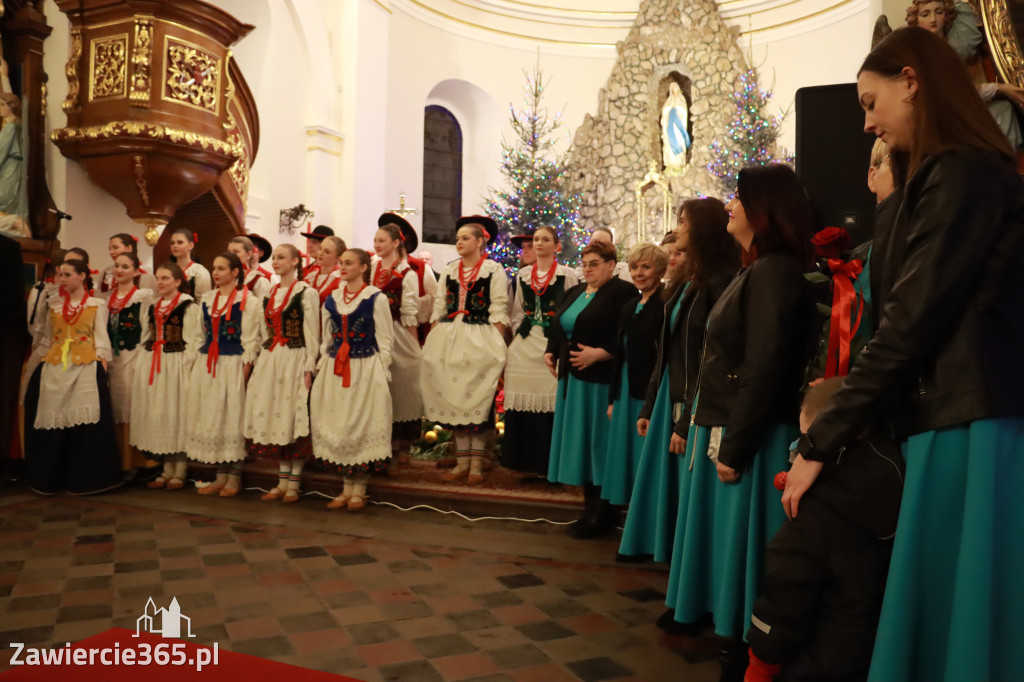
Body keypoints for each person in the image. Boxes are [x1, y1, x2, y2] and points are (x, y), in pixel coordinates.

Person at [786, 27, 1024, 682]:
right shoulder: (940, 177)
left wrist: (819, 443)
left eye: (870, 102)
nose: (866, 123)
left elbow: (911, 322)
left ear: (912, 82)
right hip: (945, 413)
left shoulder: (964, 172)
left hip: (967, 418)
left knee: (964, 608)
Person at [665, 165, 814, 682]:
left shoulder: (775, 271)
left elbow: (766, 363)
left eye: (738, 196)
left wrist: (734, 445)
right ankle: (735, 641)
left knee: (747, 548)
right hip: (734, 426)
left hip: (752, 435)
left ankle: (749, 652)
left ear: (764, 207)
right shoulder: (760, 268)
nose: (729, 203)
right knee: (732, 547)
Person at [619, 200, 740, 632]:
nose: (677, 230)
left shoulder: (722, 281)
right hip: (675, 401)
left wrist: (684, 418)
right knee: (683, 506)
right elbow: (667, 353)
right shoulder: (688, 284)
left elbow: (709, 359)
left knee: (697, 509)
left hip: (695, 409)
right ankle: (684, 592)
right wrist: (652, 404)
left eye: (684, 222)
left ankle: (696, 601)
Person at [745, 378, 904, 682]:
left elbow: (783, 600)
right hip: (875, 656)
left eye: (804, 441)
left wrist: (759, 664)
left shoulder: (812, 516)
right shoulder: (901, 476)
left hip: (815, 665)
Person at [545, 239, 638, 537]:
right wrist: (551, 349)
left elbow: (630, 334)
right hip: (572, 383)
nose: (588, 269)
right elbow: (559, 325)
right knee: (581, 445)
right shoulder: (575, 292)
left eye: (594, 264)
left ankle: (604, 513)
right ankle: (589, 509)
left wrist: (601, 353)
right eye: (584, 264)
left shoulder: (621, 292)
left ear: (612, 265)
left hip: (600, 383)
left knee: (599, 445)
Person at [421, 216, 509, 484]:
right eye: (457, 238)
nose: (459, 242)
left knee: (478, 401)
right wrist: (436, 334)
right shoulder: (449, 271)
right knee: (455, 398)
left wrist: (497, 343)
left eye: (465, 238)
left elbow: (499, 308)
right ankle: (461, 462)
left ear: (480, 241)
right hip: (450, 338)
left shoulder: (493, 271)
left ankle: (476, 464)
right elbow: (439, 307)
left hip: (480, 338)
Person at [23, 259, 122, 494]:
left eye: (67, 274)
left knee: (85, 425)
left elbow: (101, 338)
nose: (62, 279)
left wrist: (102, 366)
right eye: (60, 275)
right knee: (54, 422)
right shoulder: (54, 306)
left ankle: (86, 478)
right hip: (56, 366)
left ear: (82, 276)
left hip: (84, 366)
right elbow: (48, 338)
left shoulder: (97, 305)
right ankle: (52, 478)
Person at [311, 248, 393, 510]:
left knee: (362, 423)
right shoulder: (332, 299)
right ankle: (346, 488)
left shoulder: (375, 299)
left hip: (365, 367)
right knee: (341, 422)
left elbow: (385, 339)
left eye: (349, 263)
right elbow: (327, 338)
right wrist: (323, 363)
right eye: (341, 263)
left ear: (363, 267)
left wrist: (382, 370)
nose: (343, 267)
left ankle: (360, 488)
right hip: (337, 367)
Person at [244, 244, 320, 503]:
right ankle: (282, 480)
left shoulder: (306, 292)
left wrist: (310, 365)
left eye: (281, 257)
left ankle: (294, 483)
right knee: (275, 415)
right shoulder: (270, 292)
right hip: (272, 359)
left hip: (295, 357)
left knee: (291, 415)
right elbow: (264, 332)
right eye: (274, 257)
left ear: (295, 261)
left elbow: (312, 332)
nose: (275, 261)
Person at [502, 226, 578, 478]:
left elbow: (570, 312)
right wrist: (516, 338)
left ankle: (550, 464)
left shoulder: (567, 275)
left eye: (545, 239)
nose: (539, 243)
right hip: (525, 343)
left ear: (556, 245)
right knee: (521, 399)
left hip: (551, 345)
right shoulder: (523, 275)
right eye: (536, 240)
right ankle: (523, 462)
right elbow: (516, 311)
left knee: (551, 401)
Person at [185, 251, 262, 497]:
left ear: (235, 272)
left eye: (221, 269)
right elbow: (199, 335)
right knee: (214, 415)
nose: (216, 273)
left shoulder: (248, 300)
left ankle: (234, 477)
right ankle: (220, 475)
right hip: (210, 363)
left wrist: (245, 371)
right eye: (214, 268)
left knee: (232, 416)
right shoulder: (207, 299)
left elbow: (251, 339)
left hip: (233, 363)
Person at [906, 0, 1024, 148]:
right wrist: (999, 88)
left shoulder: (951, 47)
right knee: (1002, 111)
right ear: (916, 19)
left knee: (1003, 109)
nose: (933, 20)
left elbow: (961, 90)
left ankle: (999, 164)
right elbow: (957, 94)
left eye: (939, 12)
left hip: (956, 107)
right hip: (940, 116)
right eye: (925, 14)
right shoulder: (922, 53)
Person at [602, 243, 668, 507]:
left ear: (660, 270)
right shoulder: (630, 305)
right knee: (624, 458)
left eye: (646, 267)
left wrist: (651, 404)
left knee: (644, 460)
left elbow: (661, 357)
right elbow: (620, 354)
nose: (639, 273)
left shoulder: (665, 303)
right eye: (634, 267)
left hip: (646, 392)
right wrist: (612, 398)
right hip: (625, 391)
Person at [131, 262, 204, 490]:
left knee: (177, 413)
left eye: (165, 278)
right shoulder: (153, 306)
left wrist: (187, 366)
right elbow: (145, 336)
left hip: (176, 364)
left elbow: (195, 340)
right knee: (160, 412)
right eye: (158, 278)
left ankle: (179, 470)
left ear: (177, 281)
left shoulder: (188, 307)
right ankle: (165, 469)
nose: (160, 282)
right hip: (156, 363)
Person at [372, 213, 423, 466]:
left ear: (395, 243)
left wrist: (416, 350)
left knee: (402, 388)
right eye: (375, 240)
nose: (377, 245)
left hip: (397, 335)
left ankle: (400, 447)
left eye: (382, 240)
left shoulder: (407, 274)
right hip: (370, 336)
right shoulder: (369, 267)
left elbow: (410, 315)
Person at [104, 252, 154, 474]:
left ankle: (136, 462)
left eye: (125, 266)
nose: (120, 270)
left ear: (136, 271)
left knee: (132, 406)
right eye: (117, 266)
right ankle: (117, 460)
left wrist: (141, 356)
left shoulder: (143, 297)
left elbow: (146, 328)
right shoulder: (106, 299)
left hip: (133, 358)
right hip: (112, 359)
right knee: (113, 406)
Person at [168, 228, 211, 299]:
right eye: (172, 243)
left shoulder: (199, 271)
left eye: (180, 242)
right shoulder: (167, 269)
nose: (175, 246)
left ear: (191, 245)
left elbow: (203, 301)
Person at [310, 236, 344, 305]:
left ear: (338, 258)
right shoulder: (310, 276)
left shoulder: (340, 280)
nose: (320, 253)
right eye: (320, 249)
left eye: (327, 251)